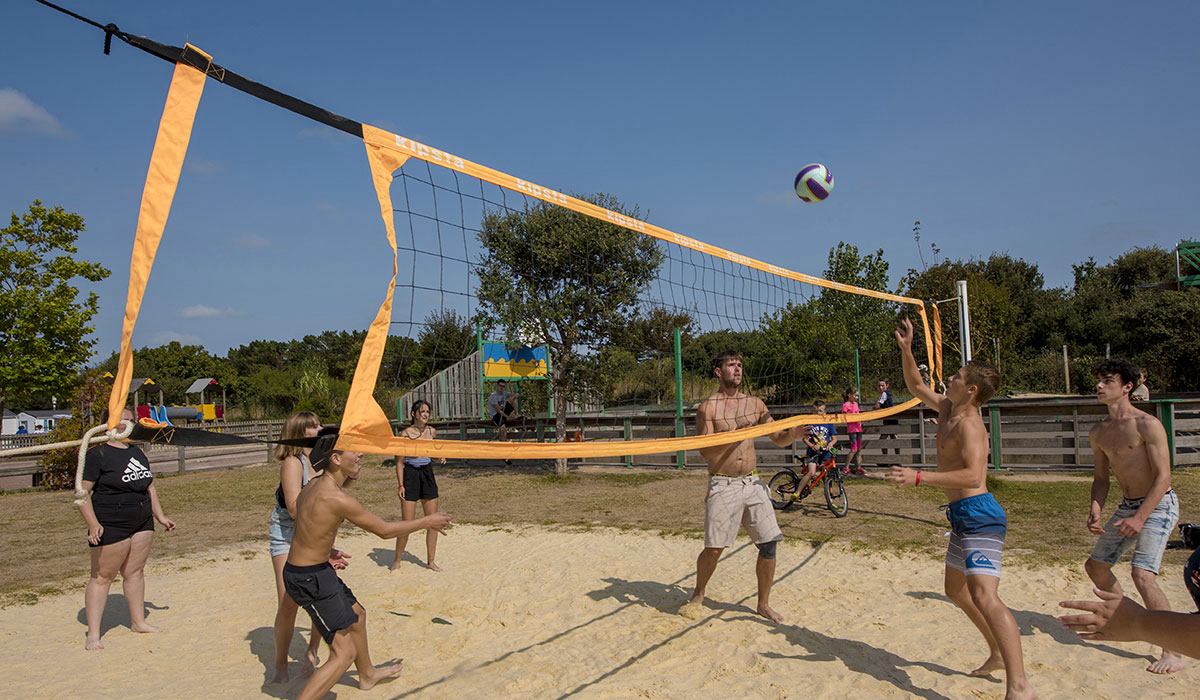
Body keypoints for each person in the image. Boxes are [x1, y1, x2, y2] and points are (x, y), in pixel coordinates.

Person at [885, 319, 1035, 700]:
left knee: (985, 596)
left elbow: (972, 475)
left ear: (970, 389)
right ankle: (998, 652)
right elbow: (916, 386)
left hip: (980, 513)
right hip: (962, 517)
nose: (947, 378)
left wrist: (919, 477)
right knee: (956, 591)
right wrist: (907, 350)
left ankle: (1020, 687)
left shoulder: (971, 425)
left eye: (955, 375)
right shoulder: (949, 406)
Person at [285, 427, 452, 700]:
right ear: (336, 459)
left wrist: (326, 552)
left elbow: (308, 525)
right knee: (343, 652)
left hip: (313, 569)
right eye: (354, 449)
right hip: (309, 578)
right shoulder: (338, 499)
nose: (360, 453)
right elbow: (384, 530)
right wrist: (427, 521)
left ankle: (367, 675)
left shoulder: (314, 484)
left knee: (357, 614)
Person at [681, 350, 805, 624]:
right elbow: (704, 452)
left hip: (752, 481)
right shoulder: (708, 407)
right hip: (723, 484)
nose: (737, 369)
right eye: (731, 365)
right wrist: (735, 435)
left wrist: (792, 435)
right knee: (714, 548)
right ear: (718, 371)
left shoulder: (755, 404)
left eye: (740, 365)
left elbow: (778, 438)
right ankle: (698, 594)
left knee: (769, 543)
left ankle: (763, 603)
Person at [1083, 357, 1183, 674]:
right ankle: (1127, 618)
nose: (1099, 386)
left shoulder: (1146, 425)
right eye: (1098, 380)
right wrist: (1096, 509)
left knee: (1142, 574)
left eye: (1107, 380)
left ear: (1127, 387)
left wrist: (1140, 517)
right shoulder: (1099, 431)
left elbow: (1163, 477)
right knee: (1096, 567)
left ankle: (1174, 650)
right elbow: (1101, 479)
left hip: (1159, 504)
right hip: (1128, 506)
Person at [76, 408, 176, 650]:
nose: (130, 424)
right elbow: (81, 494)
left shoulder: (137, 452)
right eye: (125, 420)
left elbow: (150, 487)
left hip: (141, 521)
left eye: (132, 420)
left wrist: (160, 516)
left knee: (135, 572)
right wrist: (93, 523)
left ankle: (138, 622)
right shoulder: (97, 453)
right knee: (102, 577)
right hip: (111, 523)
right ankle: (94, 634)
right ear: (108, 424)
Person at [269, 411, 346, 683]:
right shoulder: (293, 462)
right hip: (288, 533)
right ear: (300, 432)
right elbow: (292, 508)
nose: (320, 428)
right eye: (314, 426)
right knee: (288, 602)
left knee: (320, 596)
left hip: (314, 531)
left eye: (319, 424)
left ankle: (312, 652)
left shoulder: (322, 461)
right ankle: (280, 665)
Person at [391, 400, 446, 572]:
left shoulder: (431, 431)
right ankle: (397, 560)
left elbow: (432, 455)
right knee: (407, 523)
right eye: (422, 411)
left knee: (433, 522)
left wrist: (440, 458)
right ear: (414, 414)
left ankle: (431, 561)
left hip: (427, 474)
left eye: (428, 412)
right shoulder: (405, 434)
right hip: (410, 475)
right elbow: (399, 462)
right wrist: (401, 484)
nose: (425, 414)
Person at [795, 400, 838, 497]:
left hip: (825, 453)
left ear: (824, 412)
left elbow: (834, 438)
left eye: (820, 411)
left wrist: (831, 444)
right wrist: (812, 445)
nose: (817, 414)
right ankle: (797, 492)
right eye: (815, 411)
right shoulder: (809, 424)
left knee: (825, 475)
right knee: (811, 472)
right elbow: (805, 439)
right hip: (813, 453)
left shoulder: (828, 423)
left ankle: (829, 499)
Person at [875, 378, 899, 468]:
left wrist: (871, 411)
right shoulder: (885, 394)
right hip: (890, 419)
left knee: (883, 439)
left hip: (890, 420)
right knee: (893, 437)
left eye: (882, 385)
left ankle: (887, 459)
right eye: (879, 386)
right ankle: (896, 459)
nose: (881, 387)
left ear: (887, 386)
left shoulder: (884, 394)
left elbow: (878, 405)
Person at [841, 387, 865, 476]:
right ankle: (846, 467)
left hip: (859, 428)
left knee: (859, 449)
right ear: (849, 395)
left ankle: (858, 468)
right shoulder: (845, 405)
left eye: (858, 396)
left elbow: (858, 414)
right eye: (855, 395)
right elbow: (844, 416)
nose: (857, 397)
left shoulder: (856, 404)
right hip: (852, 430)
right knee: (853, 449)